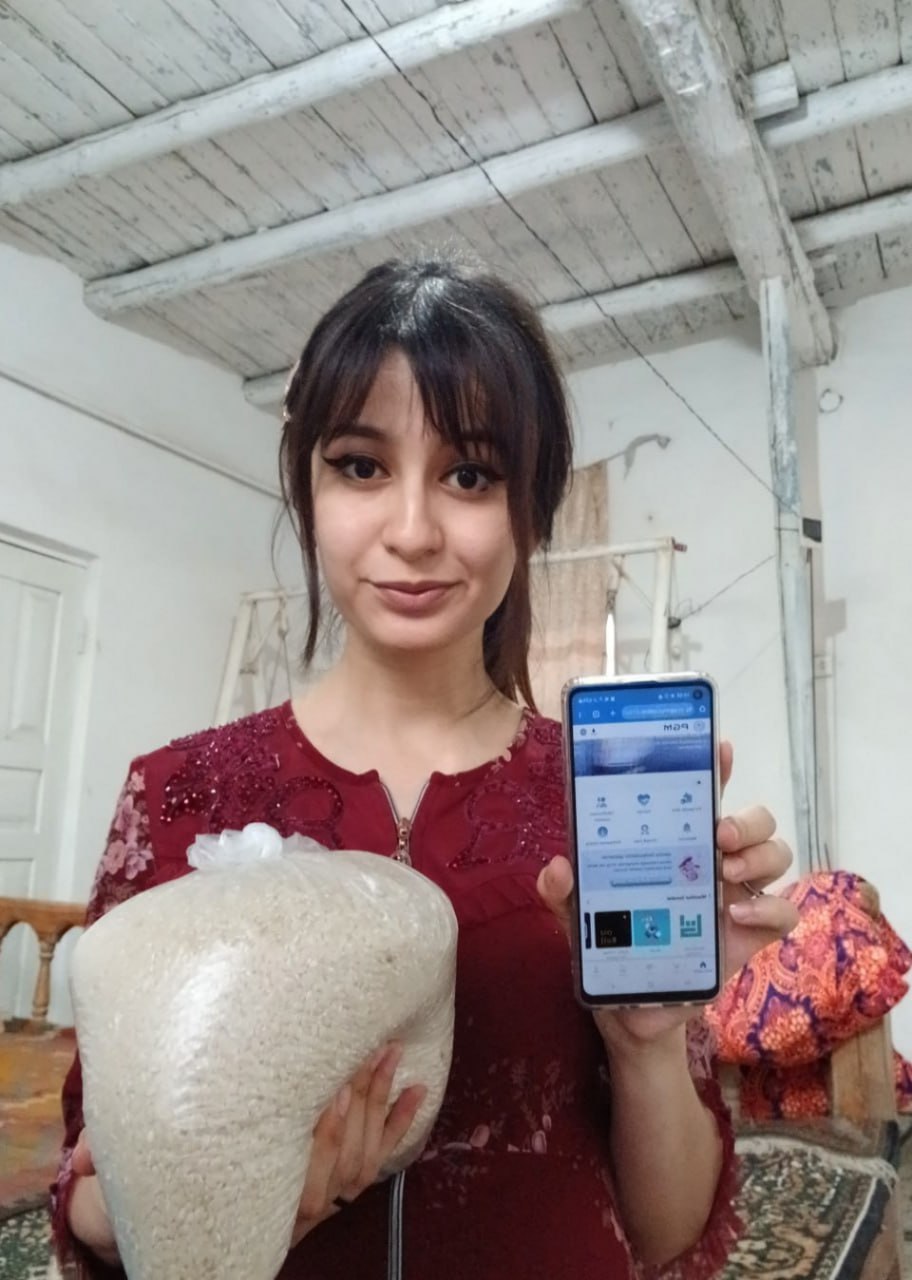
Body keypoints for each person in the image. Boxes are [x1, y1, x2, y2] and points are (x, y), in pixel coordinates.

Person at [52, 256, 798, 1279]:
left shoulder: (588, 802)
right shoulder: (180, 794)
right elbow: (88, 1184)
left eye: (470, 475)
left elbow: (667, 1234)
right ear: (307, 488)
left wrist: (646, 1040)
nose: (411, 532)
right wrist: (230, 1198)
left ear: (532, 508)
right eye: (362, 466)